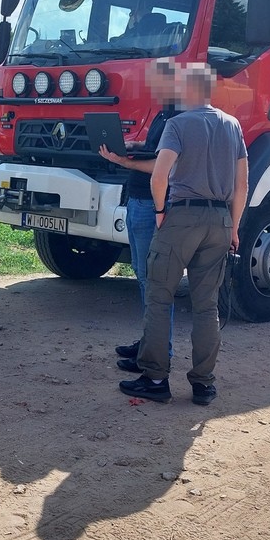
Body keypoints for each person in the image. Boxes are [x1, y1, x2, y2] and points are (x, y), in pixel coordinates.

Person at [118, 60, 248, 406]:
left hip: (183, 217)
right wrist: (233, 226)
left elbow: (158, 177)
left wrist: (160, 211)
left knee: (160, 297)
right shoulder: (232, 125)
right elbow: (242, 183)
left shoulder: (178, 124)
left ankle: (156, 378)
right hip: (220, 220)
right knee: (207, 306)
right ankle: (204, 384)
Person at [97, 58, 180, 361]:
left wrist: (124, 162)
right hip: (138, 201)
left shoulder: (177, 118)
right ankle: (150, 343)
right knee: (143, 276)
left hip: (149, 204)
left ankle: (159, 351)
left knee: (153, 280)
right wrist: (129, 147)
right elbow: (154, 150)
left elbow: (164, 166)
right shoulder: (163, 115)